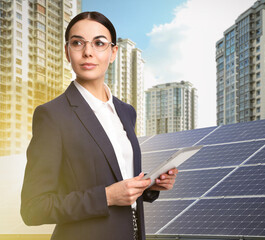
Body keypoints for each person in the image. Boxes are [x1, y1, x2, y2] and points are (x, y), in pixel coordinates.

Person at [20, 11, 178, 240]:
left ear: (113, 52)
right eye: (77, 43)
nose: (88, 52)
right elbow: (33, 208)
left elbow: (120, 180)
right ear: (67, 52)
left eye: (99, 43)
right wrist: (106, 197)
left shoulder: (126, 112)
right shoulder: (52, 116)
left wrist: (151, 186)